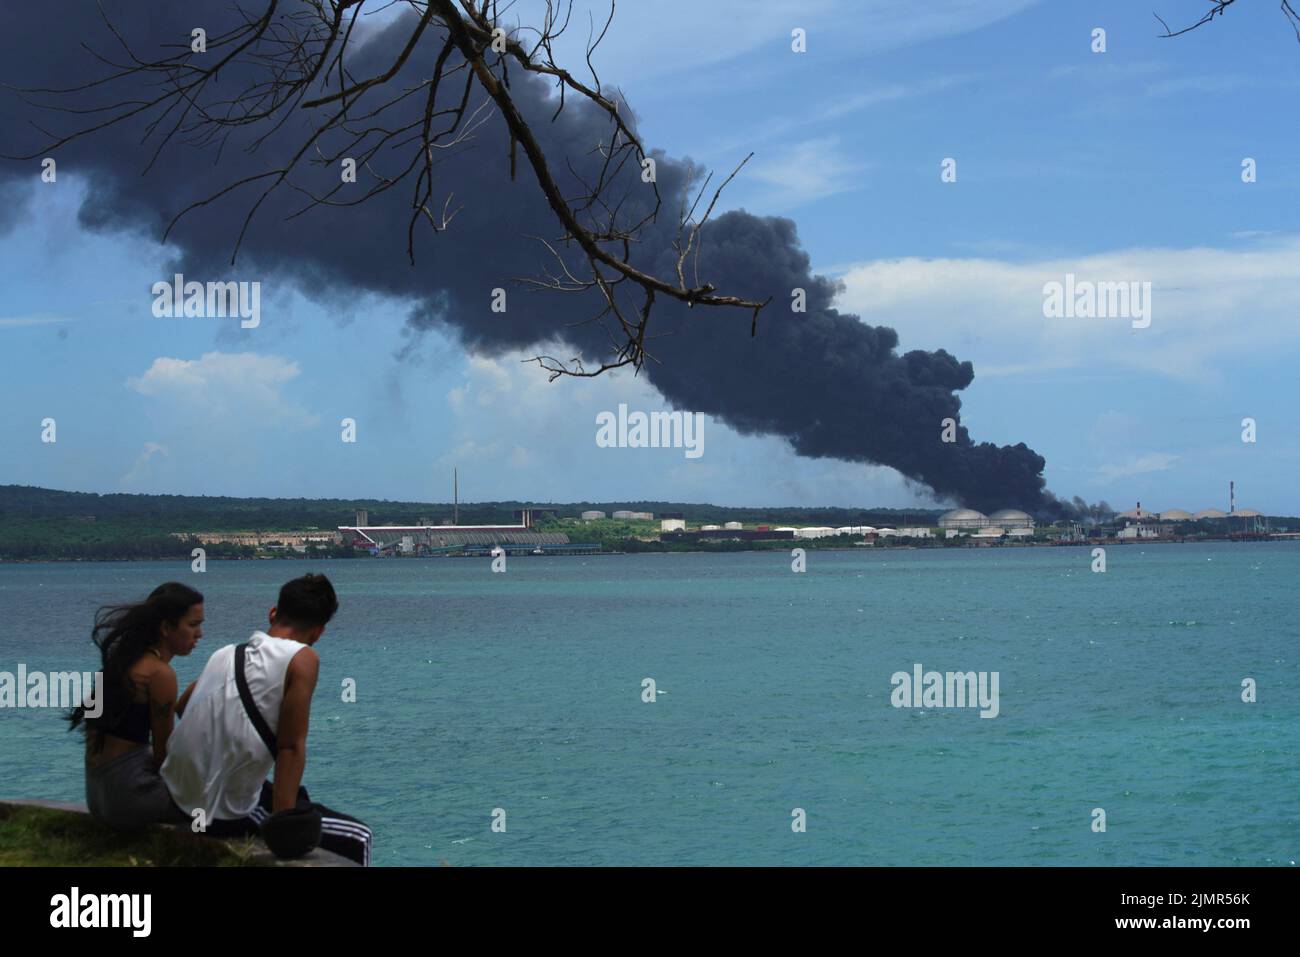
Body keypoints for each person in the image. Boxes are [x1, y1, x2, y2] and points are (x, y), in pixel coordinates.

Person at [161, 573, 372, 866]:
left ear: (273, 612)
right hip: (218, 811)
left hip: (174, 793)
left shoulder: (226, 654)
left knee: (293, 797)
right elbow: (290, 747)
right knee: (358, 836)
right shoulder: (303, 659)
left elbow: (184, 706)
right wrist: (282, 831)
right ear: (319, 632)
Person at [69, 582, 204, 830]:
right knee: (221, 801)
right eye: (193, 625)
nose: (200, 634)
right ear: (166, 628)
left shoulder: (123, 662)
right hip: (131, 799)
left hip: (99, 797)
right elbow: (165, 757)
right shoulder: (160, 674)